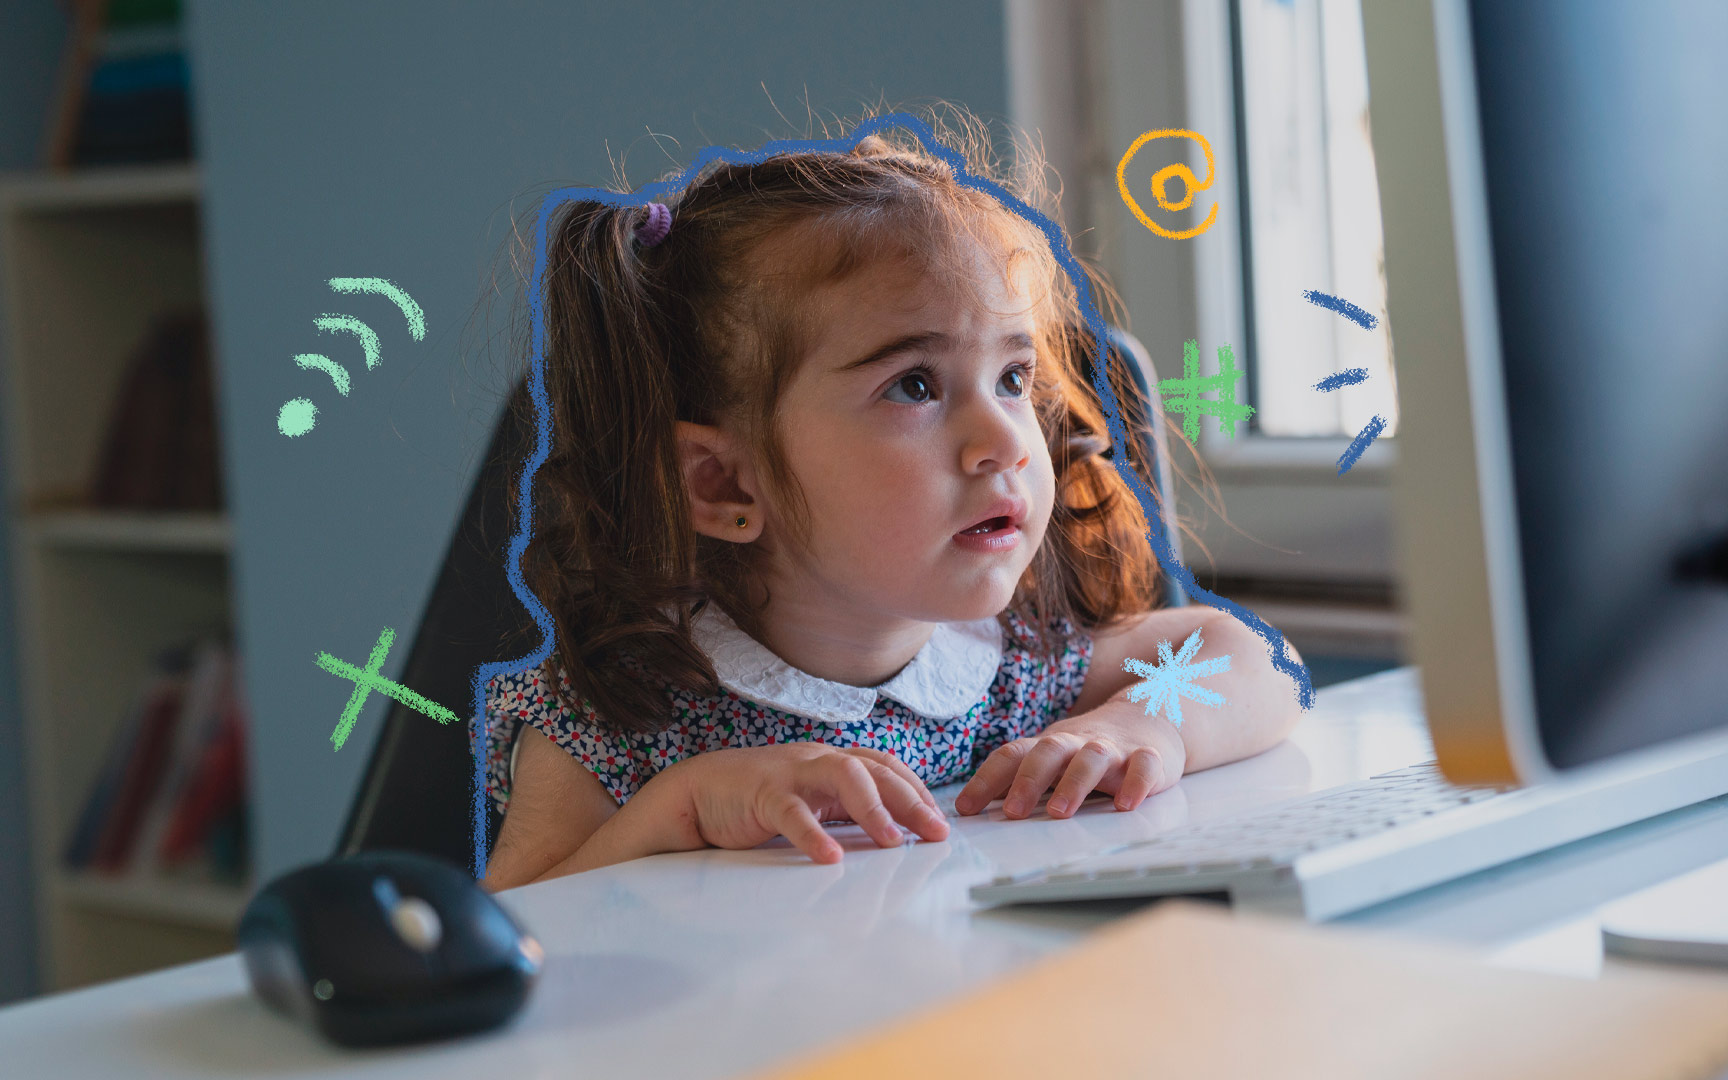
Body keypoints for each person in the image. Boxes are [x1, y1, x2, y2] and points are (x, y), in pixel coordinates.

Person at [479, 113, 1304, 891]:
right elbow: (515, 941)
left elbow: (1258, 658)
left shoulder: (1014, 667)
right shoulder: (619, 717)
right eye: (914, 385)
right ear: (722, 484)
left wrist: (1141, 724)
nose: (1010, 441)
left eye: (1014, 379)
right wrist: (682, 808)